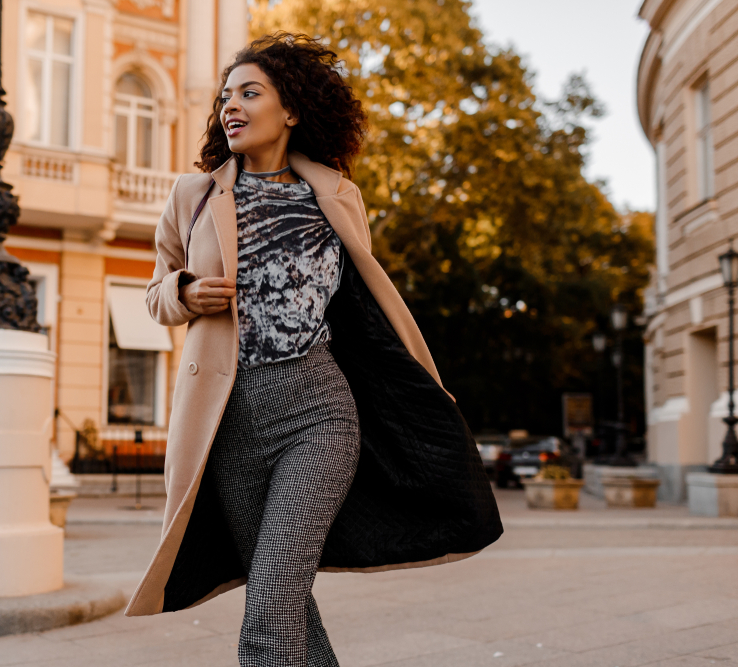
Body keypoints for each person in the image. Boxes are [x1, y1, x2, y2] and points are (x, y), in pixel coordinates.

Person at [127, 33, 503, 666]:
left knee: (266, 626)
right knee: (293, 611)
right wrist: (187, 293)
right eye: (226, 96)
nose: (232, 106)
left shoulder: (335, 195)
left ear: (291, 109)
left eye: (251, 93)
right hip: (229, 429)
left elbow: (363, 307)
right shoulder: (191, 197)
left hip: (318, 415)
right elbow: (156, 294)